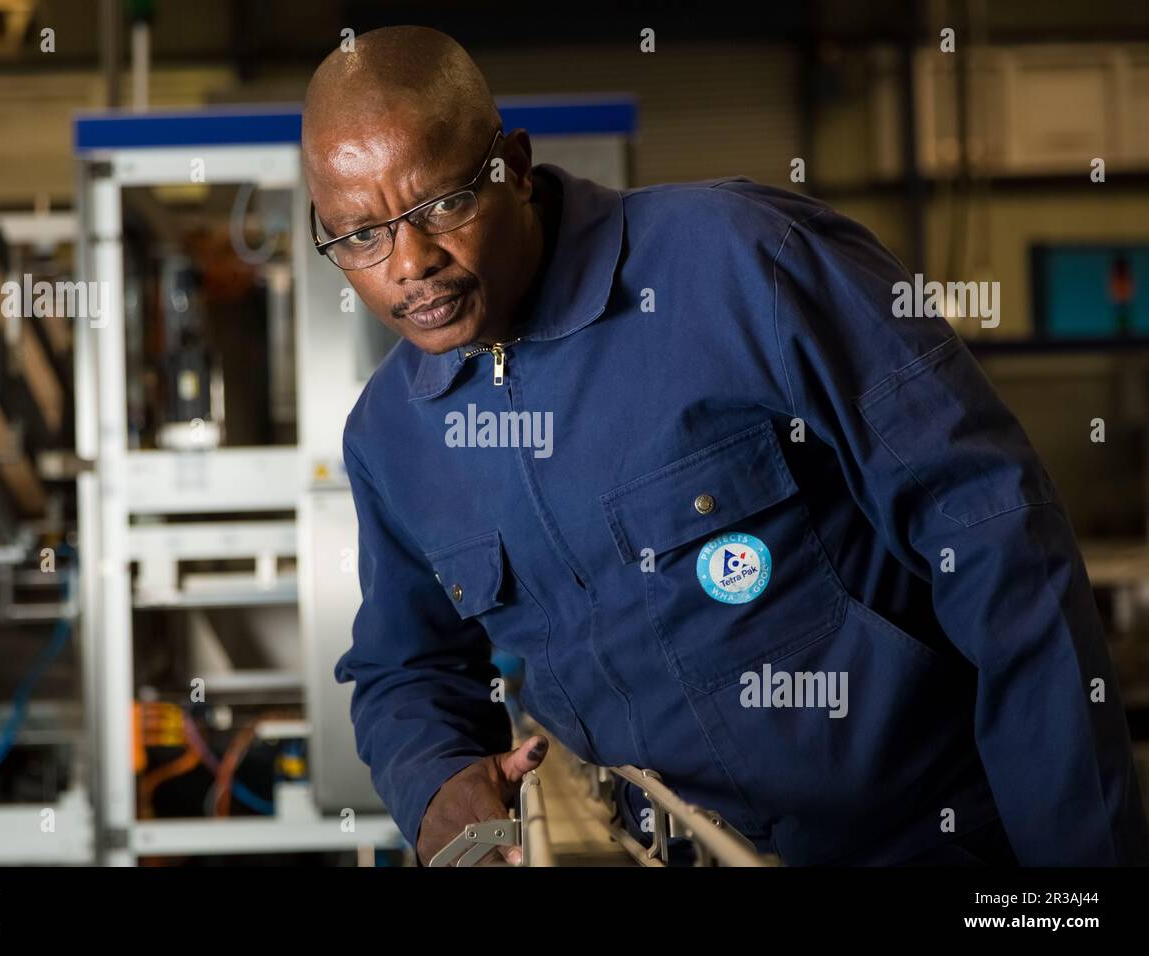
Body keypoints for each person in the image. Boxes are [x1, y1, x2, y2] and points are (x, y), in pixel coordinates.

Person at [303, 25, 1149, 867]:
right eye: (359, 235)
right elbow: (404, 668)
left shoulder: (741, 263)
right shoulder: (391, 437)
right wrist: (436, 778)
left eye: (443, 204)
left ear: (515, 167)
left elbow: (999, 540)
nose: (409, 262)